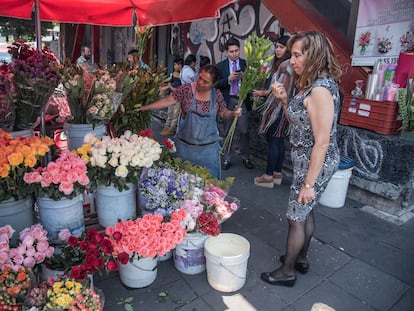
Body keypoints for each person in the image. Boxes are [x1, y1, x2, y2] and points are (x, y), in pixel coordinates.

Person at [260, 31, 342, 287]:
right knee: (306, 211)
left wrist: (308, 184)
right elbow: (299, 120)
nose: (291, 60)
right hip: (306, 161)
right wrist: (285, 100)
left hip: (314, 163)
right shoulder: (311, 84)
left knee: (296, 216)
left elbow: (323, 141)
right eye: (291, 54)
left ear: (314, 55)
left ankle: (287, 271)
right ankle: (302, 257)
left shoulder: (320, 90)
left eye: (297, 55)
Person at [138, 65, 241, 179]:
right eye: (200, 77)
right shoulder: (186, 90)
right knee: (182, 185)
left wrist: (233, 113)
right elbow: (168, 101)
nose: (200, 82)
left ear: (213, 84)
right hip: (185, 149)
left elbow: (223, 113)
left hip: (208, 152)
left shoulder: (216, 95)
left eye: (205, 82)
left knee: (208, 189)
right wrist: (145, 108)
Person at [252, 35, 294, 188]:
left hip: (278, 108)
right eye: (276, 46)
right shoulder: (287, 64)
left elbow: (276, 90)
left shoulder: (286, 65)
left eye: (281, 47)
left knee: (274, 141)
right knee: (279, 140)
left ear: (288, 49)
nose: (277, 50)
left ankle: (268, 177)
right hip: (284, 107)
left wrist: (262, 93)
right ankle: (277, 173)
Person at [215, 37, 253, 170]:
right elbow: (215, 84)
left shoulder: (245, 64)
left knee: (244, 130)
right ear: (227, 52)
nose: (235, 54)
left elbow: (253, 82)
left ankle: (246, 156)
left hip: (241, 100)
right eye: (231, 51)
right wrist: (228, 79)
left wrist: (245, 78)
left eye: (237, 50)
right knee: (227, 131)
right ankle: (227, 158)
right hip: (228, 100)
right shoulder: (220, 66)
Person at [160, 56, 184, 137]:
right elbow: (169, 83)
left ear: (180, 65)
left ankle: (171, 128)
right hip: (172, 95)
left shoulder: (182, 75)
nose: (174, 66)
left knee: (175, 113)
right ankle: (166, 126)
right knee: (170, 112)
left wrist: (171, 87)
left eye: (175, 65)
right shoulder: (173, 74)